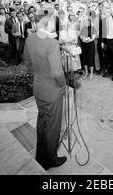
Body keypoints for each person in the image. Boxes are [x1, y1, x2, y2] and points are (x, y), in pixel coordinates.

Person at [24, 16, 67, 170]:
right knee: (52, 126)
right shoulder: (52, 43)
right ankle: (49, 160)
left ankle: (41, 156)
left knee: (42, 121)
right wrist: (64, 85)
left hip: (38, 87)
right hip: (52, 91)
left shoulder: (30, 38)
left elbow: (27, 63)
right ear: (47, 23)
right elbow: (57, 73)